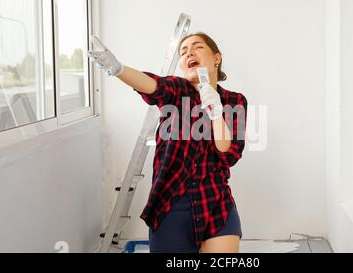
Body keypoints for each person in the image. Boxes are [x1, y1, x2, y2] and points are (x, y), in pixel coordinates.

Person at [88, 32, 247, 253]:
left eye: (197, 47)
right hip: (171, 203)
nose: (189, 52)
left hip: (215, 201)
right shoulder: (176, 89)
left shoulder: (235, 101)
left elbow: (228, 154)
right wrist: (119, 69)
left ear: (216, 58)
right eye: (183, 51)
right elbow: (151, 84)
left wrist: (217, 111)